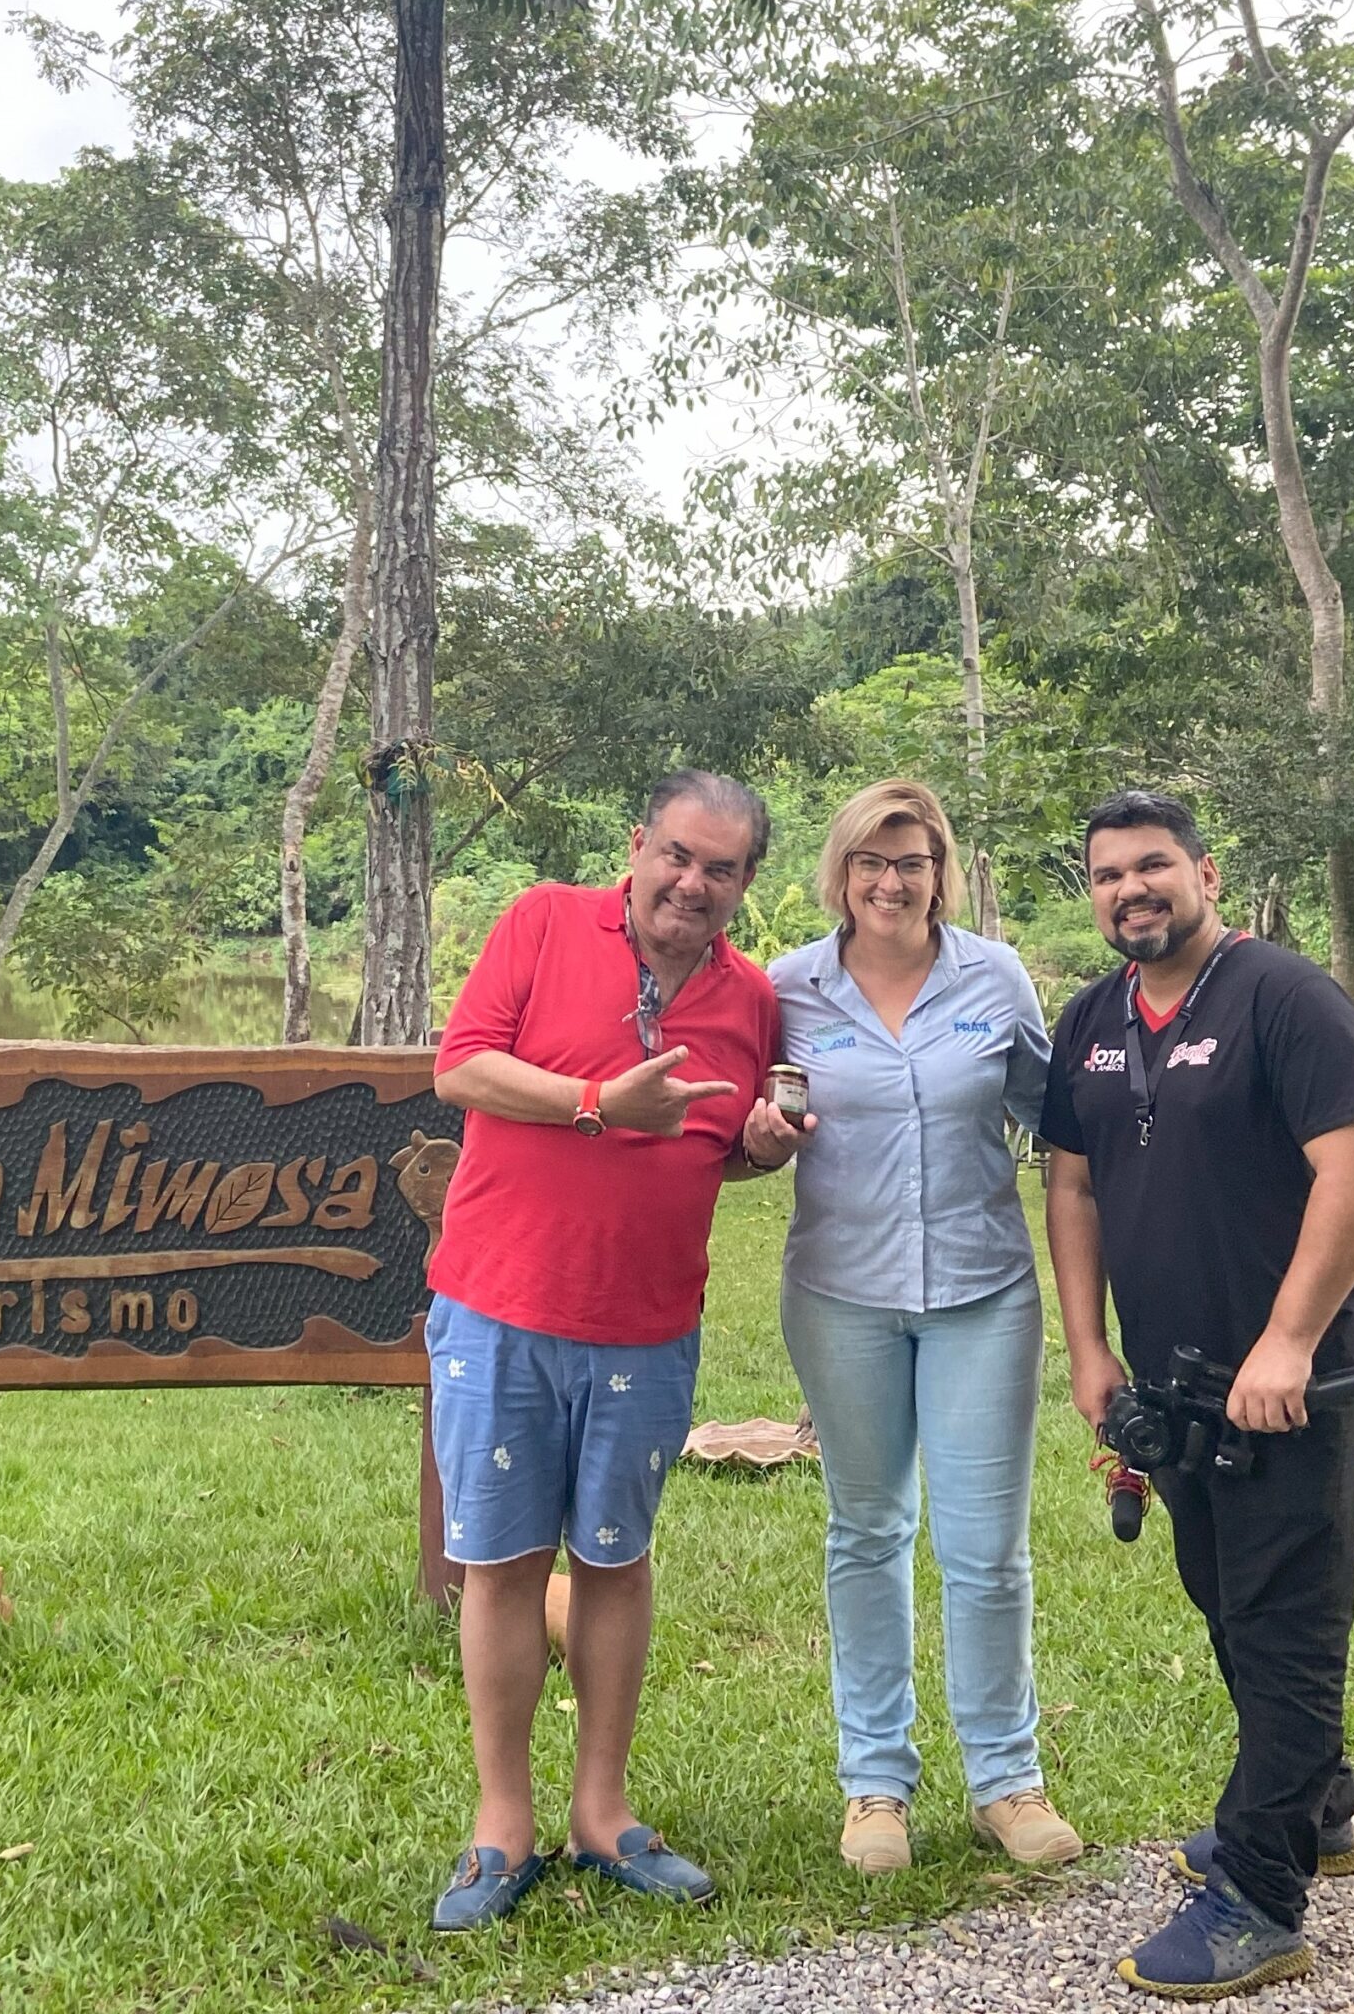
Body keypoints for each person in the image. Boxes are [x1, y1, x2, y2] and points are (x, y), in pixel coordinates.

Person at [1039, 790, 1354, 2000]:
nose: (1130, 890)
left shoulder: (1284, 998)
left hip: (1291, 1384)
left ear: (1203, 871)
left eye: (1152, 867)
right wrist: (1089, 1351)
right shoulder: (1089, 1019)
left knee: (1285, 1620)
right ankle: (1317, 1804)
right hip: (1173, 1386)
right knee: (1225, 1600)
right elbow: (1074, 1189)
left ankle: (1258, 1893)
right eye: (1106, 876)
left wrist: (1288, 1342)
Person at [422, 770, 784, 1932]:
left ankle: (602, 1814)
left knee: (615, 1561)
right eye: (677, 854)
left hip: (646, 1325)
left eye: (719, 869)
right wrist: (592, 1103)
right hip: (498, 1309)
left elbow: (711, 1145)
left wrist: (765, 1148)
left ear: (742, 885)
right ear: (637, 845)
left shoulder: (749, 997)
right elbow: (461, 1066)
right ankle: (501, 1825)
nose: (692, 882)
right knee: (504, 1563)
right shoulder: (538, 919)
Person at [743, 779, 1083, 1878]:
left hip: (984, 1291)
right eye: (870, 863)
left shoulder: (994, 976)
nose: (891, 883)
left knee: (984, 1552)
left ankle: (1005, 1781)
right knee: (867, 1530)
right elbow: (747, 1126)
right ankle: (874, 1786)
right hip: (841, 1294)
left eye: (913, 862)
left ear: (942, 870)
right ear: (838, 874)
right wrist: (758, 1134)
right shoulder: (786, 988)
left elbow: (1055, 1118)